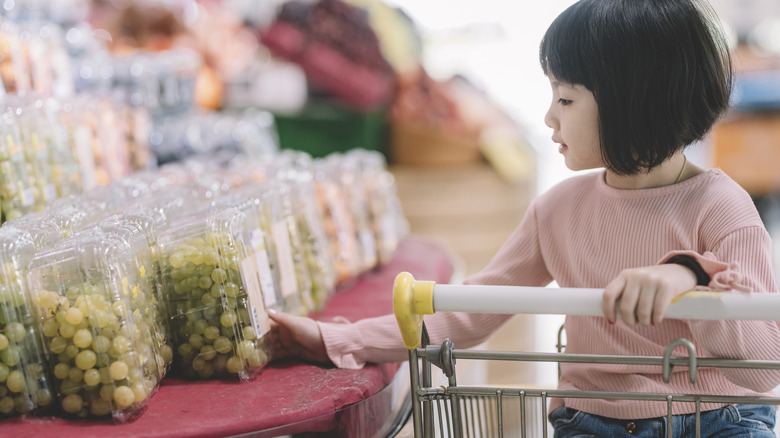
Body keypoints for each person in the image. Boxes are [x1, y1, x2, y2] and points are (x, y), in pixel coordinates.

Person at [269, 0, 780, 435]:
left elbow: (764, 360)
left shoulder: (720, 204)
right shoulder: (558, 210)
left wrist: (689, 275)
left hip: (717, 418)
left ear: (634, 103)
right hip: (591, 421)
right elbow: (469, 312)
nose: (549, 117)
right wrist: (337, 340)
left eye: (566, 98)